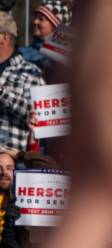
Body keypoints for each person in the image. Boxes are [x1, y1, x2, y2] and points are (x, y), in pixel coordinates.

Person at [0, 12, 46, 154]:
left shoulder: (30, 72)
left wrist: (2, 92)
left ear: (3, 38)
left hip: (12, 166)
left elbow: (39, 117)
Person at [19, 0, 72, 71]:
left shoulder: (66, 58)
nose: (35, 21)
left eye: (41, 19)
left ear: (55, 27)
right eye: (36, 17)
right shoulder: (21, 52)